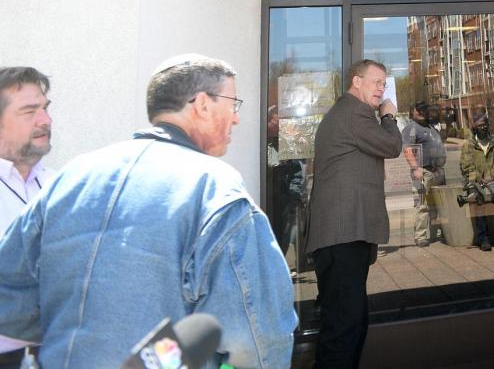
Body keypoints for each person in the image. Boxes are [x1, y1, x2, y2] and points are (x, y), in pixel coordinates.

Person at [0, 55, 296, 367]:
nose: (236, 118)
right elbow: (260, 339)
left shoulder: (72, 176)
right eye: (232, 104)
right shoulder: (217, 188)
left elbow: (10, 302)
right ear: (202, 105)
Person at [305, 58, 403, 369]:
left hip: (343, 238)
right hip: (342, 237)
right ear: (356, 82)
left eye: (384, 84)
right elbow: (391, 145)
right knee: (343, 330)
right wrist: (389, 116)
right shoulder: (354, 112)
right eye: (376, 82)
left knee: (349, 324)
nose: (381, 89)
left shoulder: (347, 112)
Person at [0, 67, 52, 365]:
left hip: (54, 353)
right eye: (30, 111)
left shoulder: (62, 184)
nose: (45, 120)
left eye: (45, 108)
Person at [402, 102, 447, 247]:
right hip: (422, 172)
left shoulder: (431, 127)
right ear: (414, 112)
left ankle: (435, 232)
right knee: (422, 206)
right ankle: (420, 236)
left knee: (438, 205)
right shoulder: (411, 128)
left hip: (437, 172)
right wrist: (415, 168)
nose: (422, 113)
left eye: (424, 110)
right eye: (419, 110)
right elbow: (407, 149)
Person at [461, 110, 494, 251]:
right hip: (477, 181)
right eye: (479, 125)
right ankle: (483, 238)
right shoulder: (468, 144)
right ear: (474, 126)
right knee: (479, 205)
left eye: (484, 124)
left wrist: (491, 175)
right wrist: (478, 179)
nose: (483, 127)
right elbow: (466, 165)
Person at [265, 104, 306, 257]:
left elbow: (298, 172)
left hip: (283, 201)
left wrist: (294, 199)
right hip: (265, 198)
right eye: (277, 123)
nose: (280, 127)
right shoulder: (260, 140)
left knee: (282, 239)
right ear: (268, 121)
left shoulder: (287, 143)